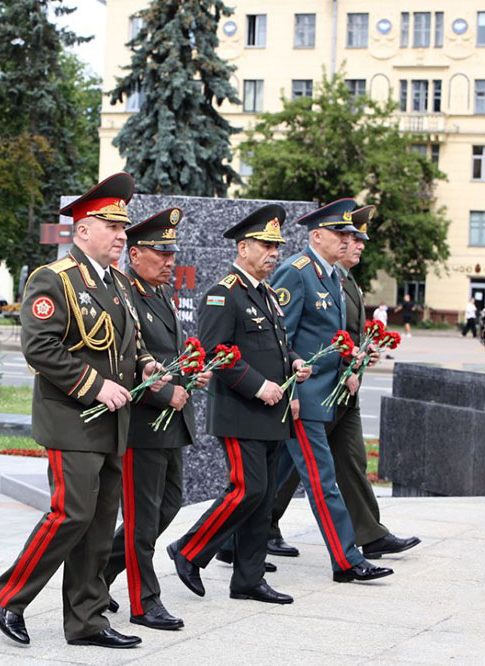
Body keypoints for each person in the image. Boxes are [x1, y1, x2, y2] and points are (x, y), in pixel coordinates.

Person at [0, 172, 167, 649]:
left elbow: (131, 345)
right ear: (83, 230)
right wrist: (96, 386)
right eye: (111, 226)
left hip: (112, 423)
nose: (121, 235)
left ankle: (86, 620)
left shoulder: (121, 285)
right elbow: (40, 348)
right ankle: (9, 594)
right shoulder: (54, 278)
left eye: (123, 227)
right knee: (71, 513)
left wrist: (150, 368)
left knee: (98, 521)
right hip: (72, 419)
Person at [166, 204, 309, 605]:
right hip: (241, 411)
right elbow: (216, 351)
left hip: (272, 412)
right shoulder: (222, 293)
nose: (273, 253)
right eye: (265, 245)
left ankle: (249, 579)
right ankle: (189, 550)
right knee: (249, 489)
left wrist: (295, 361)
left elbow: (277, 344)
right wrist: (258, 385)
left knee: (262, 501)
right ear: (243, 247)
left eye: (276, 247)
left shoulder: (265, 293)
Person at [267, 208, 420, 563]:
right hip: (308, 393)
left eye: (352, 236)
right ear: (317, 236)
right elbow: (280, 336)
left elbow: (337, 336)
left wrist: (356, 359)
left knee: (341, 464)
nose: (351, 242)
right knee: (297, 475)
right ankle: (346, 557)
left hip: (336, 389)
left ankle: (368, 536)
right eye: (343, 235)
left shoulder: (337, 278)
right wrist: (288, 390)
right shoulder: (298, 272)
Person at [103, 207, 210, 630]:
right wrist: (166, 392)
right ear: (134, 255)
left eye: (172, 254)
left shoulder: (160, 293)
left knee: (168, 506)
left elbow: (164, 358)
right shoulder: (125, 294)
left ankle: (98, 571)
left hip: (171, 423)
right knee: (142, 518)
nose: (170, 262)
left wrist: (189, 376)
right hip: (143, 423)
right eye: (160, 254)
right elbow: (126, 361)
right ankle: (144, 603)